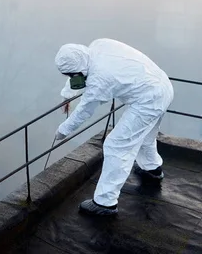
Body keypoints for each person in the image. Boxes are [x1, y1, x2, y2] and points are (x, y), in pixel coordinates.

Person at [54, 38, 174, 216]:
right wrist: (67, 95)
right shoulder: (98, 46)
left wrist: (62, 131)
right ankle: (152, 168)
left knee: (116, 145)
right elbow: (78, 72)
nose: (71, 78)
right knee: (145, 136)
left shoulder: (99, 79)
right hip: (162, 86)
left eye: (71, 75)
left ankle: (105, 202)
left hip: (148, 100)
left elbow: (85, 110)